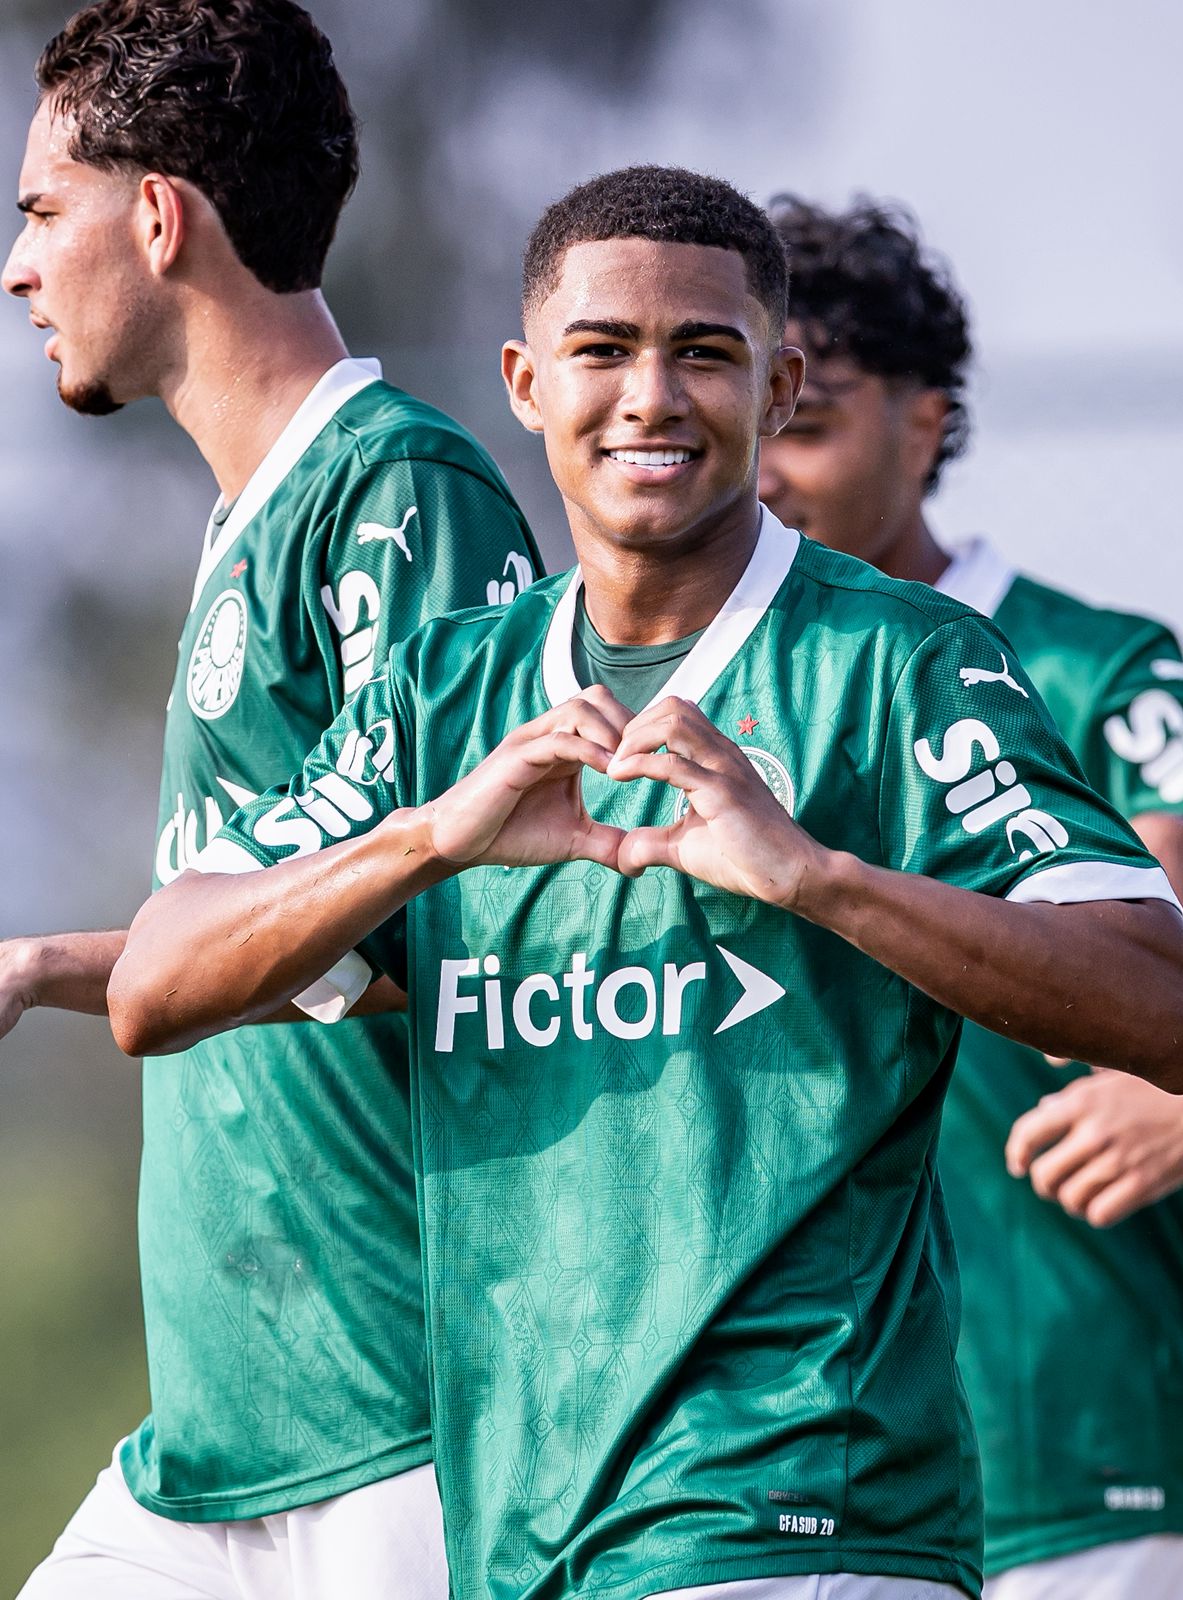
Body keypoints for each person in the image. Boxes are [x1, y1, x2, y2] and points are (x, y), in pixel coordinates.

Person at [108, 165, 1183, 1600]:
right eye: (602, 352)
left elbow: (1163, 998)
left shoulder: (900, 661)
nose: (651, 396)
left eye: (704, 353)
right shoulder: (448, 688)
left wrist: (818, 879)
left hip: (797, 1519)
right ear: (521, 381)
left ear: (779, 382)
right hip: (520, 1536)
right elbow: (155, 981)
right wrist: (430, 838)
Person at [0, 2, 540, 1595]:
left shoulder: (398, 491)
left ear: (156, 218)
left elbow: (449, 924)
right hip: (216, 1446)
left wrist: (141, 965)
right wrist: (49, 968)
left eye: (38, 213)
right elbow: (280, 920)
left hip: (388, 1441)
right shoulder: (262, 512)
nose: (18, 269)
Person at [759, 193, 1183, 1600]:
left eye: (806, 421)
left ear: (927, 423)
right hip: (798, 1490)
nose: (761, 470)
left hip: (1071, 1481)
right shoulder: (699, 704)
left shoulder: (1080, 673)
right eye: (744, 417)